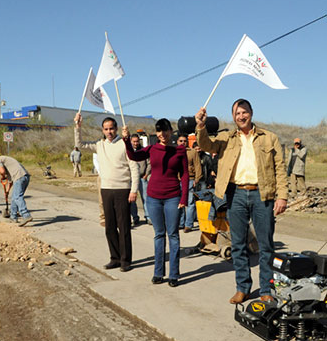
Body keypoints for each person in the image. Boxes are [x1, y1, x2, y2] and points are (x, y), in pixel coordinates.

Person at [195, 99, 287, 304]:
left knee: (266, 245)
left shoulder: (269, 138)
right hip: (235, 194)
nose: (241, 117)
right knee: (237, 244)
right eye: (237, 114)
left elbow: (280, 168)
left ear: (251, 113)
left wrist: (282, 196)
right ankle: (243, 288)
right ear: (233, 117)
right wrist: (200, 126)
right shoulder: (226, 138)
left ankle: (266, 288)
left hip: (262, 194)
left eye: (244, 112)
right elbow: (205, 144)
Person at [123, 119, 188, 287]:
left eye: (165, 130)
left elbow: (185, 175)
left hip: (173, 197)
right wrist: (126, 140)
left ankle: (174, 274)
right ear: (157, 133)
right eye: (159, 131)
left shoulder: (179, 151)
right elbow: (133, 156)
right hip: (153, 198)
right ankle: (158, 272)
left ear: (170, 131)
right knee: (159, 235)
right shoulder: (152, 149)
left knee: (173, 235)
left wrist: (184, 198)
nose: (162, 134)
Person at [74, 113, 139, 272]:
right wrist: (78, 127)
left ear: (116, 129)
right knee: (109, 226)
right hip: (106, 190)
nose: (109, 132)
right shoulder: (99, 145)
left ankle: (125, 260)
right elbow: (80, 145)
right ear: (102, 130)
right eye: (106, 129)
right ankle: (115, 258)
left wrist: (134, 190)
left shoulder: (124, 144)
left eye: (111, 129)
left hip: (122, 189)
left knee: (123, 226)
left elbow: (134, 168)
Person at [0, 151, 33, 226]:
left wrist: (2, 176)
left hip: (19, 177)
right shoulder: (7, 161)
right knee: (14, 198)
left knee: (17, 197)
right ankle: (13, 217)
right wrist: (7, 191)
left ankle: (26, 215)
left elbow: (2, 171)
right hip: (25, 177)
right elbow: (10, 181)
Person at [178, 135, 202, 233]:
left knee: (190, 203)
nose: (183, 142)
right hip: (177, 181)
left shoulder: (192, 152)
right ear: (177, 141)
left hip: (190, 180)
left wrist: (197, 180)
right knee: (179, 202)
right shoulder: (174, 152)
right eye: (181, 141)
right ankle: (180, 223)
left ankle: (188, 225)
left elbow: (197, 165)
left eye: (184, 141)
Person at [129, 133, 151, 226]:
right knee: (132, 199)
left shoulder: (143, 151)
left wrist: (146, 174)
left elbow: (149, 163)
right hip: (131, 179)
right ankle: (135, 217)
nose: (135, 143)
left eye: (137, 141)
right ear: (130, 141)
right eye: (133, 141)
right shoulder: (128, 152)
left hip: (142, 178)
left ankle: (148, 217)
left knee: (145, 198)